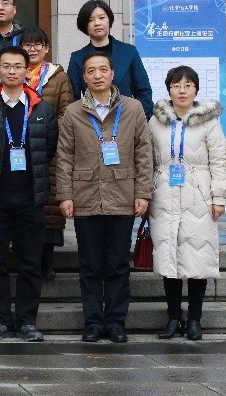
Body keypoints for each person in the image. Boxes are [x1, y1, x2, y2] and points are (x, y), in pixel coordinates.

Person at [53, 51, 154, 343]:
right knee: (90, 265)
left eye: (103, 70)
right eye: (91, 71)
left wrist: (143, 193)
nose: (97, 75)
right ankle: (94, 322)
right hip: (85, 197)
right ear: (84, 77)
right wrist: (65, 195)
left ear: (112, 74)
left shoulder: (132, 108)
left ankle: (116, 321)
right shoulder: (74, 112)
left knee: (118, 264)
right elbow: (64, 156)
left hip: (123, 195)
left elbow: (144, 153)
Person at [0, 46, 59, 343]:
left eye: (18, 66)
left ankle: (28, 321)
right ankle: (0, 321)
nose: (12, 71)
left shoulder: (42, 109)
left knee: (30, 264)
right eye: (6, 66)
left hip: (31, 199)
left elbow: (49, 149)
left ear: (26, 71)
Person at [149, 67, 226, 341]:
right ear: (168, 89)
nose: (182, 90)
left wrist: (219, 197)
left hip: (199, 196)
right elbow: (147, 159)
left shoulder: (209, 122)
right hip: (164, 195)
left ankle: (194, 319)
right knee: (169, 257)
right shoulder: (155, 121)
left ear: (196, 89)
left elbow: (220, 161)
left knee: (198, 257)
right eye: (176, 85)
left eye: (187, 85)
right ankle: (173, 318)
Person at [19, 26, 74, 280]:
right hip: (18, 147)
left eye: (37, 44)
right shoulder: (15, 73)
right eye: (27, 45)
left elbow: (66, 111)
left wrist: (46, 134)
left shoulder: (58, 77)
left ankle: (47, 260)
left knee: (49, 206)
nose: (32, 49)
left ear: (46, 48)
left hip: (49, 148)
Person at [67, 0, 154, 119]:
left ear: (109, 20)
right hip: (92, 123)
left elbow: (143, 91)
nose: (97, 23)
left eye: (102, 18)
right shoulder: (77, 58)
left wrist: (138, 120)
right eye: (91, 20)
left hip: (126, 120)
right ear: (85, 25)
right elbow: (72, 98)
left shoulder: (129, 52)